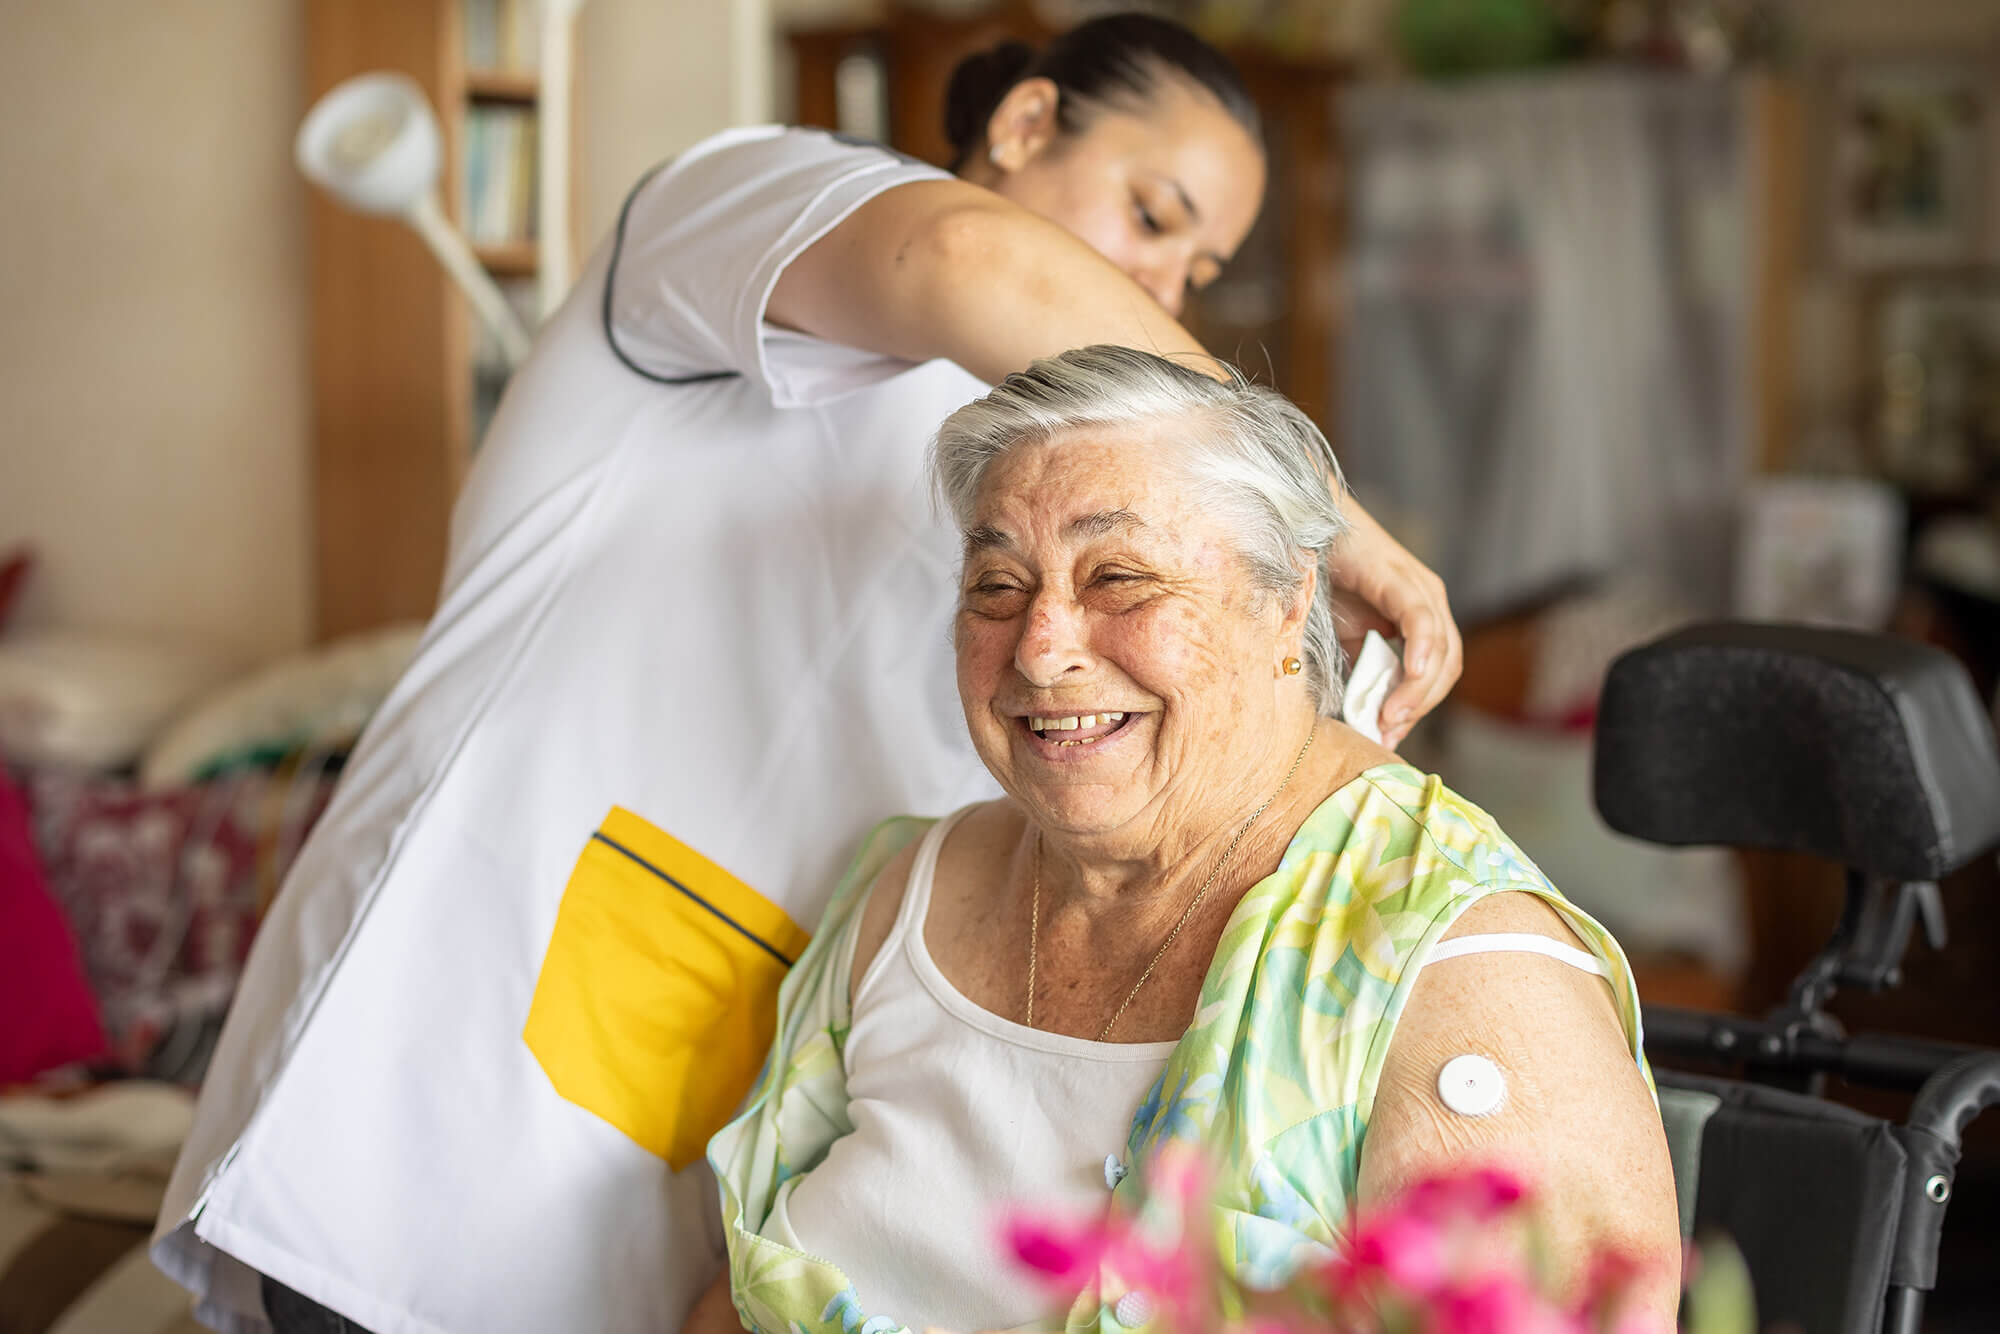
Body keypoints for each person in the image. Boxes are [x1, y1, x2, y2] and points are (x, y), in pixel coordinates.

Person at [152, 17, 1461, 1334]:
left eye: (1198, 264)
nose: (1166, 287)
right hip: (438, 1091)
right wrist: (1315, 509)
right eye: (1149, 213)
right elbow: (960, 258)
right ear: (1021, 127)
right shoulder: (740, 212)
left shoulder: (1040, 483)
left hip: (705, 1110)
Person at [694, 349, 1681, 1334]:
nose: (1040, 646)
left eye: (1116, 576)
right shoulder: (903, 887)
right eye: (996, 584)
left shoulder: (1464, 971)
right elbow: (727, 1300)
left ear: (1285, 602)